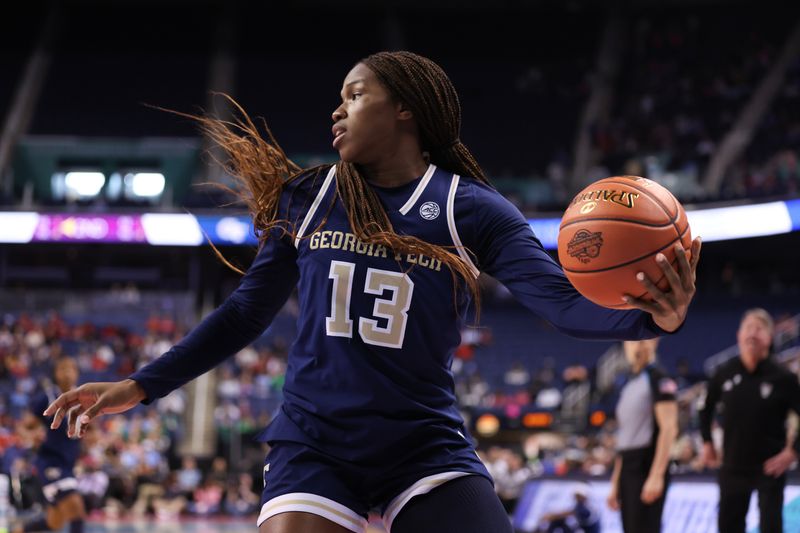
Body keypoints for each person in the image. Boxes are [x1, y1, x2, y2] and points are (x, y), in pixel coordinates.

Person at [43, 51, 701, 533]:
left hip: (422, 444)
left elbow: (559, 300)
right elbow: (247, 310)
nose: (337, 108)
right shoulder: (308, 197)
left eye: (355, 94)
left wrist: (651, 322)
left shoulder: (469, 210)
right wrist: (141, 384)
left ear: (405, 107)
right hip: (312, 441)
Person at [699, 308, 800, 533]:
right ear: (738, 335)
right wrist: (707, 442)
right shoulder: (723, 372)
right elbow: (704, 409)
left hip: (770, 468)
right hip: (732, 466)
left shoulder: (783, 377)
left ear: (770, 337)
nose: (752, 334)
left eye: (759, 328)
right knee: (728, 526)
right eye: (748, 328)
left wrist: (793, 451)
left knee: (770, 527)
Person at [606, 339, 678, 533]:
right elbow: (625, 435)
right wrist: (615, 482)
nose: (637, 347)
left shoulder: (659, 379)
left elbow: (669, 428)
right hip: (628, 467)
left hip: (646, 465)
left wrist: (656, 475)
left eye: (642, 341)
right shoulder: (628, 383)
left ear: (654, 342)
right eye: (631, 342)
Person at [15, 357, 86, 533]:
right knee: (77, 510)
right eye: (63, 368)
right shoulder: (47, 397)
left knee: (54, 523)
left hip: (68, 464)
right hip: (50, 462)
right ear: (56, 373)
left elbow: (88, 431)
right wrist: (32, 436)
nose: (68, 372)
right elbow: (23, 426)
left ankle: (17, 531)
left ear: (77, 373)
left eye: (72, 368)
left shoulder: (82, 399)